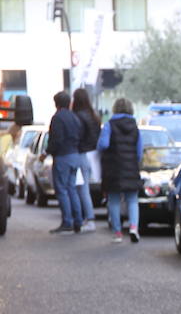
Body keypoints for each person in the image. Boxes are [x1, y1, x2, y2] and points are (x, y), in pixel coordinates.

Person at [97, 98, 143, 243]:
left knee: (114, 201)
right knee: (132, 200)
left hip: (113, 168)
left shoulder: (109, 125)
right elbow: (139, 151)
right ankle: (134, 227)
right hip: (131, 168)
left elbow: (103, 144)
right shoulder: (135, 126)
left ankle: (117, 232)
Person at [46, 91, 86, 234]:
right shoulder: (75, 118)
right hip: (75, 155)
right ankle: (78, 221)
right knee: (72, 188)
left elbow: (56, 139)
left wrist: (48, 152)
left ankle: (67, 221)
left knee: (62, 190)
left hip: (63, 156)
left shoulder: (57, 118)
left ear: (56, 103)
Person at [71, 87, 100, 229]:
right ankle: (87, 218)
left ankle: (89, 218)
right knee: (84, 187)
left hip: (82, 153)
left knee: (82, 188)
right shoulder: (93, 115)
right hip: (93, 153)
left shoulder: (77, 117)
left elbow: (77, 136)